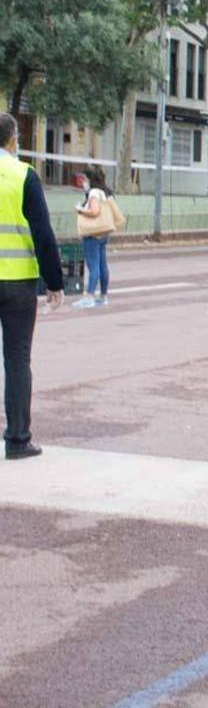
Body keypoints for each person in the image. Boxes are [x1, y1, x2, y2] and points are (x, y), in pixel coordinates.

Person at [0, 112, 63, 460]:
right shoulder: (23, 175)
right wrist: (55, 281)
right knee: (17, 359)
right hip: (18, 282)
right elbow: (43, 233)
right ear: (12, 140)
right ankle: (18, 439)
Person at [73, 166, 115, 308]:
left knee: (93, 265)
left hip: (93, 233)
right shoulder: (104, 191)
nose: (83, 182)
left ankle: (89, 296)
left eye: (84, 179)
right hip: (103, 233)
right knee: (103, 265)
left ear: (90, 179)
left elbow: (95, 211)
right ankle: (103, 296)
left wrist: (80, 210)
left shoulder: (94, 193)